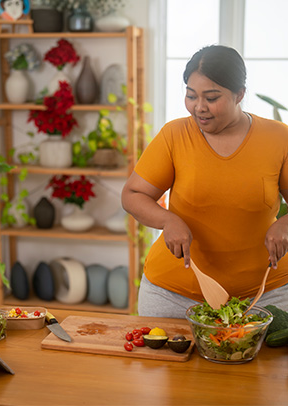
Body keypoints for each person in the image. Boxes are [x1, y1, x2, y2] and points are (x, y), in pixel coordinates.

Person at [121, 45, 288, 318]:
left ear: (239, 95)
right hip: (173, 295)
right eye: (191, 95)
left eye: (211, 97)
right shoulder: (174, 135)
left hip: (267, 294)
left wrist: (285, 224)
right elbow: (133, 194)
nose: (199, 107)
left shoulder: (279, 138)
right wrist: (167, 220)